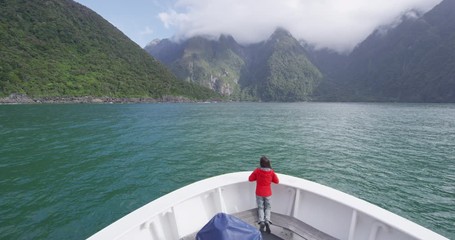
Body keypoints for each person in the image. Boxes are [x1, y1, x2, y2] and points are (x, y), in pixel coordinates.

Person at [248, 156, 279, 233]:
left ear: (261, 163)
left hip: (259, 192)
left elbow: (250, 179)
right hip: (268, 193)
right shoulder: (271, 172)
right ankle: (267, 220)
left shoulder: (257, 171)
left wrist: (257, 178)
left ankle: (261, 221)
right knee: (268, 207)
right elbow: (277, 181)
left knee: (260, 207)